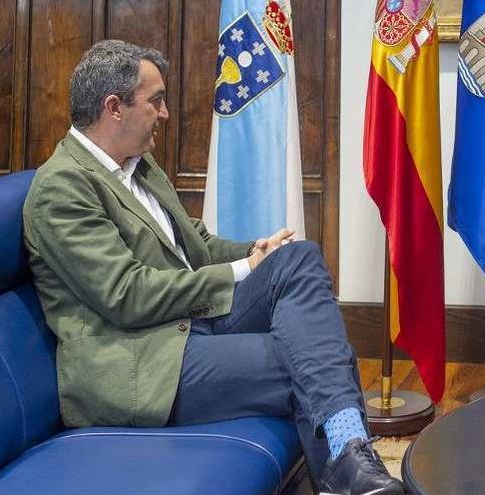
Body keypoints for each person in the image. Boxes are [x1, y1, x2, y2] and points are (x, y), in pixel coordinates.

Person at [22, 40, 403, 495]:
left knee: (298, 258)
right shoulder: (62, 187)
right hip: (139, 360)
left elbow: (195, 243)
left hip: (186, 324)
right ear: (114, 107)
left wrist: (256, 250)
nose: (165, 113)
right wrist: (244, 268)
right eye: (156, 100)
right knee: (313, 360)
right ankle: (351, 466)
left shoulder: (138, 165)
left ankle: (347, 467)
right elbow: (127, 295)